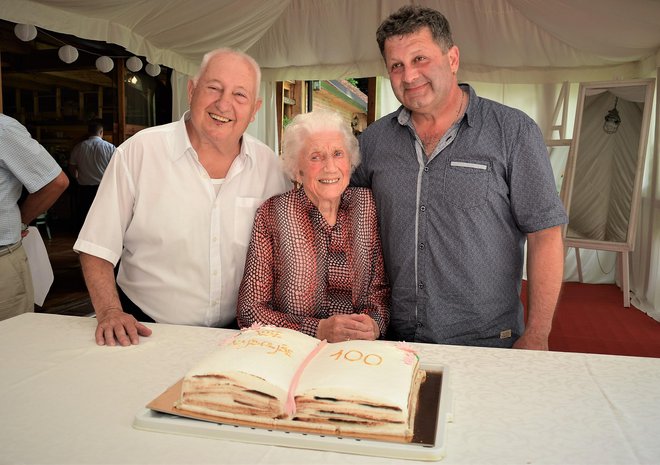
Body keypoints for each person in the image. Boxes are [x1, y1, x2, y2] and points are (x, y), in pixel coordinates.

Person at [351, 6, 568, 349]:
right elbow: (340, 217)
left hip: (490, 341)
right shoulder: (374, 142)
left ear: (452, 58)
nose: (408, 76)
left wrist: (538, 334)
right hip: (396, 340)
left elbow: (545, 235)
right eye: (397, 66)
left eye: (420, 59)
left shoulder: (512, 131)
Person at [74, 48, 291, 346]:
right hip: (144, 330)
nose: (224, 103)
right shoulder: (139, 152)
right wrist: (110, 311)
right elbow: (96, 247)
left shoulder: (271, 167)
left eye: (239, 95)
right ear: (191, 90)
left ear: (254, 110)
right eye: (213, 88)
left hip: (237, 336)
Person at [237, 110, 389, 342]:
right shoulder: (273, 214)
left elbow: (380, 290)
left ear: (350, 161)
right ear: (298, 170)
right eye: (316, 157)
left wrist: (375, 324)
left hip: (355, 355)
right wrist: (315, 330)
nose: (330, 167)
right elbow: (250, 311)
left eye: (338, 154)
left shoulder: (366, 206)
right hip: (290, 354)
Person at [0, 113, 69, 321]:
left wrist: (21, 221)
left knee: (11, 346)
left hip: (2, 258)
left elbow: (55, 182)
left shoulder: (3, 129)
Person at [68, 119, 116, 228]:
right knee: (104, 212)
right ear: (101, 132)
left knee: (86, 212)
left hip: (84, 187)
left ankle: (85, 235)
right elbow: (116, 168)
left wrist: (76, 177)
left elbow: (71, 166)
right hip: (103, 186)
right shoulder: (110, 147)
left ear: (89, 132)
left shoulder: (78, 147)